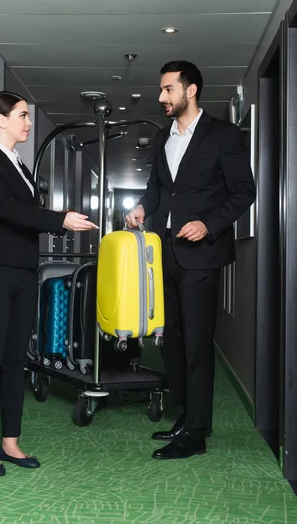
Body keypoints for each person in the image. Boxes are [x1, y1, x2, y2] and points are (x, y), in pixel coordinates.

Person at [125, 61, 256, 460]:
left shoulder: (223, 135)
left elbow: (243, 191)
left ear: (191, 90)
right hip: (164, 253)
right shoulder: (164, 137)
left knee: (198, 343)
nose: (161, 97)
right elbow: (157, 189)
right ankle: (186, 415)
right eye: (161, 90)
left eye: (168, 90)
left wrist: (209, 224)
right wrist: (143, 210)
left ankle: (196, 432)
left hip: (202, 255)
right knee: (172, 340)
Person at [0, 91, 98, 476]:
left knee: (15, 362)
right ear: (0, 120)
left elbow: (26, 210)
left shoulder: (18, 164)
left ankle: (11, 443)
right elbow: (9, 212)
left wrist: (57, 219)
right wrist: (60, 219)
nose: (28, 122)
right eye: (22, 115)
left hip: (23, 272)